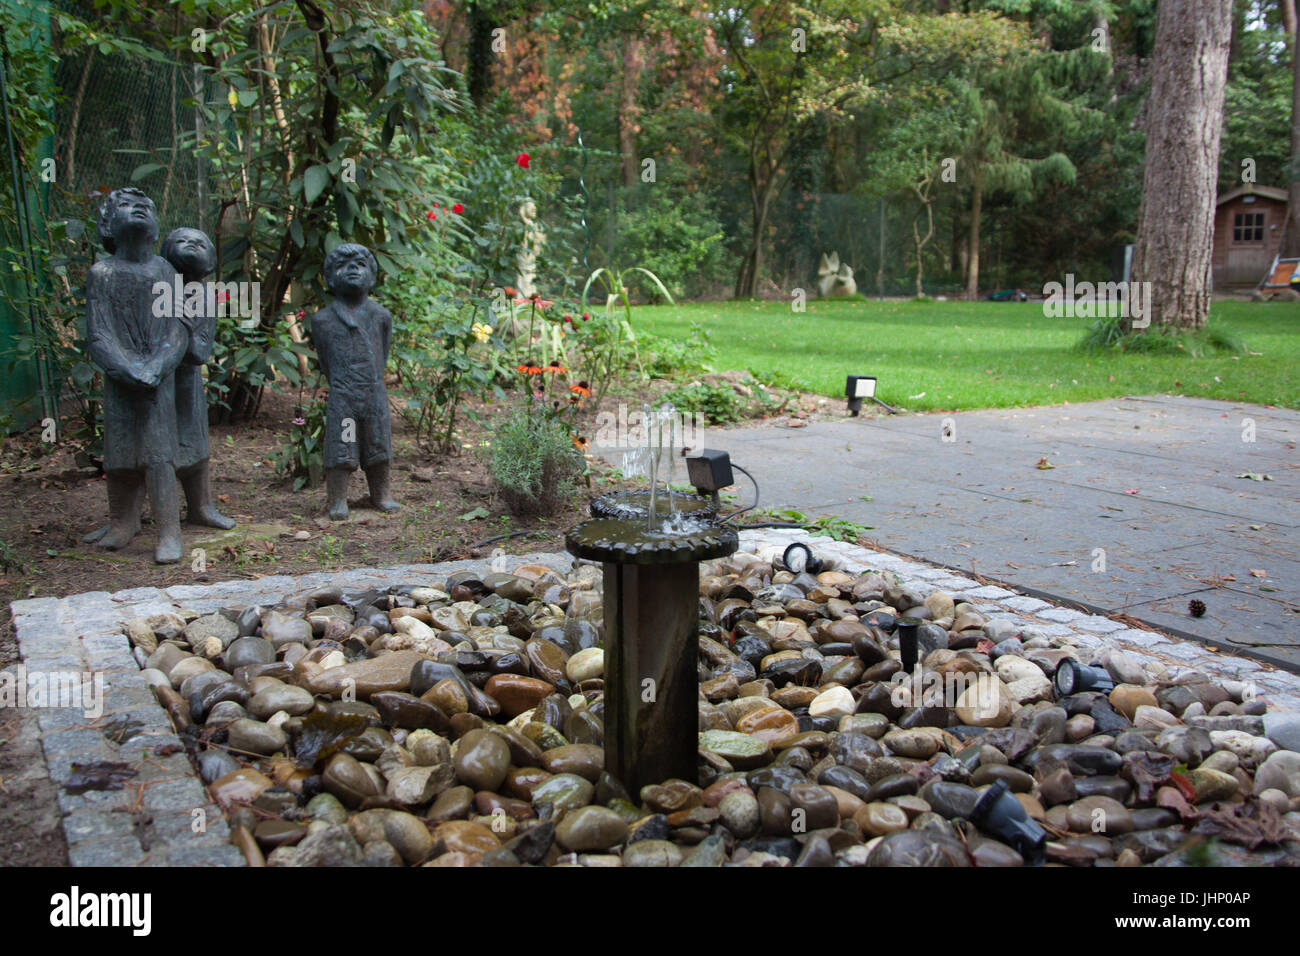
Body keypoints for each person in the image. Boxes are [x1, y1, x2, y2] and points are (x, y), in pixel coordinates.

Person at [83, 187, 187, 563]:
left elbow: (177, 330)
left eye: (146, 205)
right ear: (108, 224)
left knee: (159, 456)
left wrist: (158, 366)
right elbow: (99, 334)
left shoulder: (165, 271)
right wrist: (127, 368)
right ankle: (122, 522)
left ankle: (170, 530)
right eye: (126, 205)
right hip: (121, 380)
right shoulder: (102, 274)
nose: (139, 208)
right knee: (119, 455)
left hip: (158, 379)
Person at [307, 243, 399, 520]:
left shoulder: (381, 316)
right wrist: (341, 381)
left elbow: (382, 353)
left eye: (360, 264)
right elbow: (324, 359)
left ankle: (381, 494)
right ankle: (338, 499)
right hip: (343, 394)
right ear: (330, 277)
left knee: (377, 441)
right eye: (343, 265)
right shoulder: (322, 320)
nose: (353, 269)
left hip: (373, 391)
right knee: (342, 444)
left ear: (372, 276)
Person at [160, 227, 235, 531]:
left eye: (200, 243)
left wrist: (182, 333)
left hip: (187, 384)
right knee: (153, 448)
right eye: (182, 241)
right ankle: (130, 516)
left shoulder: (205, 296)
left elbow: (200, 352)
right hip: (155, 385)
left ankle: (200, 507)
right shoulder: (156, 290)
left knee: (196, 445)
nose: (191, 245)